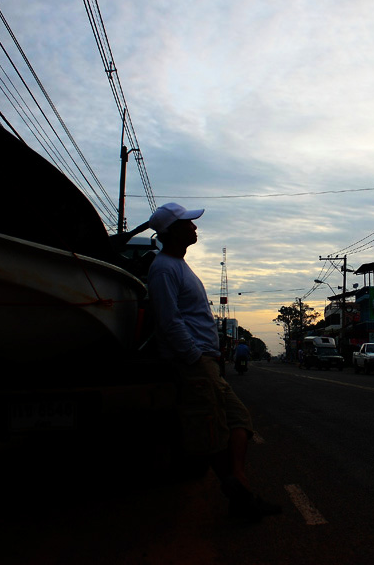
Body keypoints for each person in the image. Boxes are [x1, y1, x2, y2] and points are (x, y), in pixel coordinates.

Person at [146, 202, 281, 521]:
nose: (194, 227)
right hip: (193, 363)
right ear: (171, 231)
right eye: (188, 224)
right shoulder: (164, 267)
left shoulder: (178, 265)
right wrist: (195, 356)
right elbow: (169, 321)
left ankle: (238, 484)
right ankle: (242, 498)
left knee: (239, 420)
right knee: (211, 431)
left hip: (206, 361)